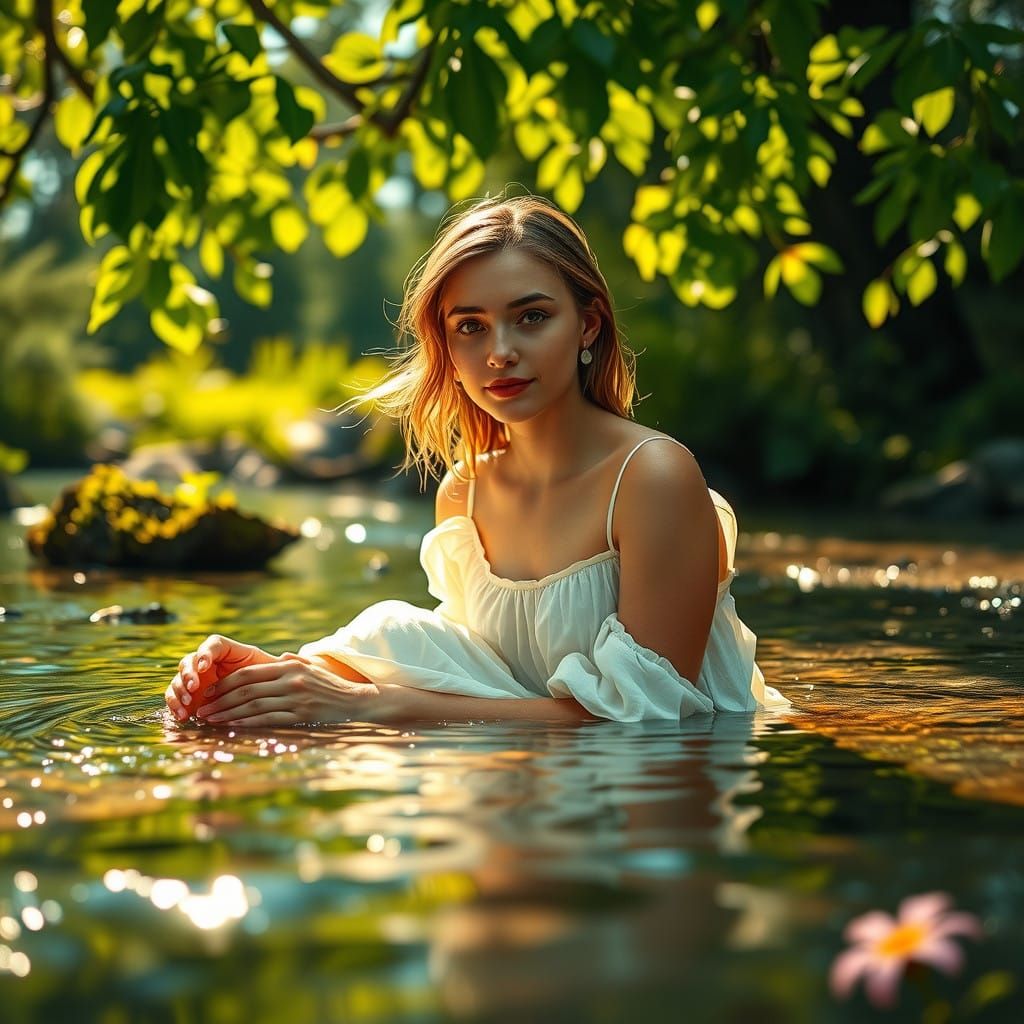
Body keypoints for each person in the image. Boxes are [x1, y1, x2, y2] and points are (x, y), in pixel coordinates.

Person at [164, 194, 790, 727]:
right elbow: (470, 670)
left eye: (532, 318)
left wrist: (370, 706)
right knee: (387, 632)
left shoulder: (653, 477)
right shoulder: (463, 493)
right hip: (531, 789)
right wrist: (282, 676)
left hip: (657, 801)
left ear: (589, 327)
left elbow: (650, 715)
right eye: (470, 327)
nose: (500, 353)